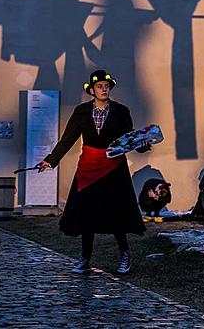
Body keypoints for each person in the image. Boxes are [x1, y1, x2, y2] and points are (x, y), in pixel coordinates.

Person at [38, 69, 149, 274]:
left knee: (116, 212)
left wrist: (142, 145)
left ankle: (125, 255)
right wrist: (51, 160)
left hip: (113, 166)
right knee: (86, 213)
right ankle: (85, 258)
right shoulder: (81, 112)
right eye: (100, 86)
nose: (104, 89)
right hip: (88, 167)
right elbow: (67, 140)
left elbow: (129, 139)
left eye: (107, 86)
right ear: (92, 90)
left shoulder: (121, 111)